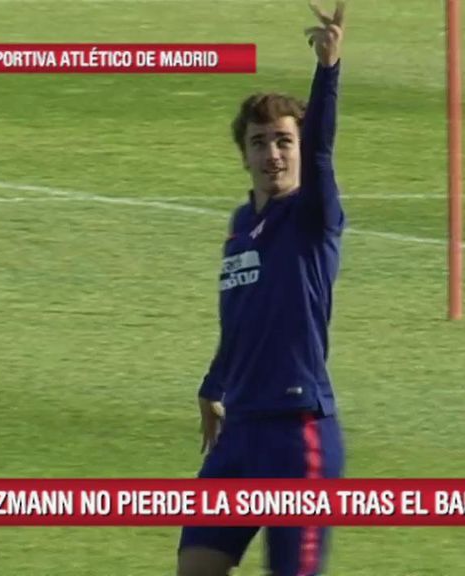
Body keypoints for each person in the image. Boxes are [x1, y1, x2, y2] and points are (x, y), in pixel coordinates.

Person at [176, 3, 348, 575]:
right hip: (239, 434)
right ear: (243, 153)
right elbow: (242, 318)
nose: (272, 153)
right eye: (259, 142)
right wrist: (212, 385)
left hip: (299, 439)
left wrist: (328, 68)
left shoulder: (313, 216)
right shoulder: (239, 226)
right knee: (196, 566)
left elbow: (322, 146)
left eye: (283, 141)